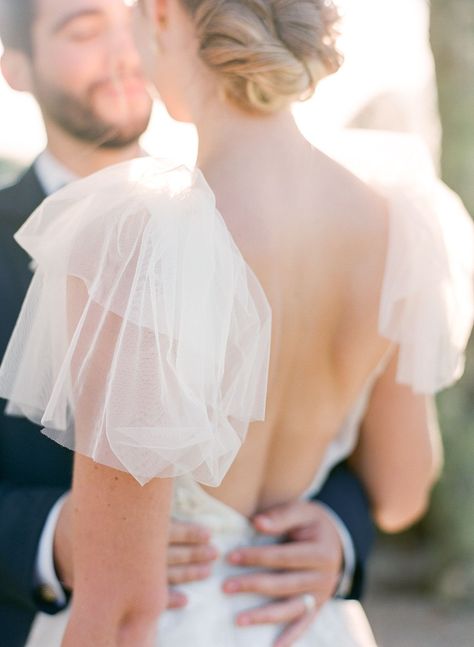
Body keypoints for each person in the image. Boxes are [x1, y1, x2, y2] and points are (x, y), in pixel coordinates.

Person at [1, 1, 472, 646]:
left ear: (164, 14)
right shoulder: (396, 218)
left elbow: (121, 612)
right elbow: (401, 489)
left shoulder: (139, 232)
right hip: (307, 626)